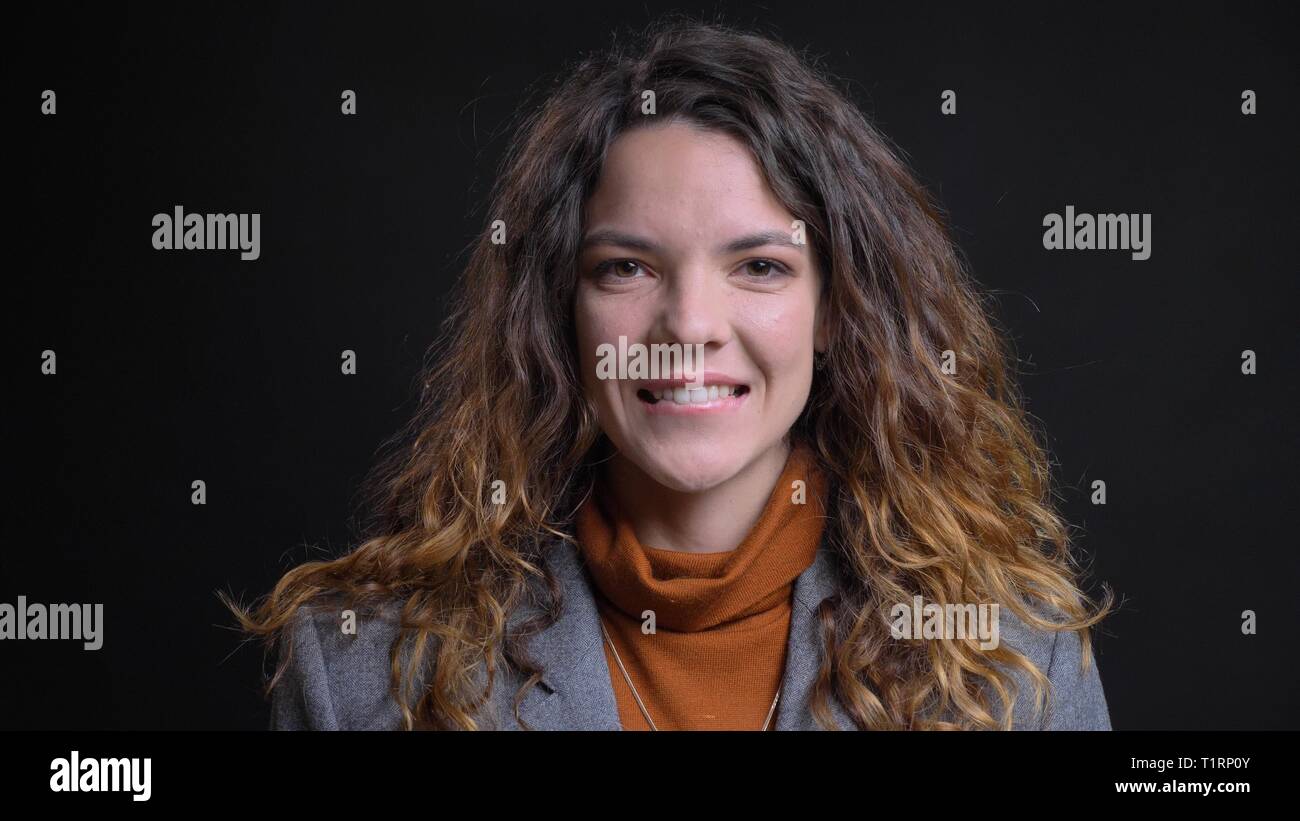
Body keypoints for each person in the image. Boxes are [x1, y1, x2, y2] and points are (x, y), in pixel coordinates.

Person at [224, 16, 1114, 731]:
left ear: (835, 311)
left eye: (759, 266)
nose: (688, 325)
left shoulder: (1009, 660)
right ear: (560, 311)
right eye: (627, 267)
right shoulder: (362, 669)